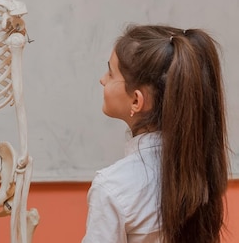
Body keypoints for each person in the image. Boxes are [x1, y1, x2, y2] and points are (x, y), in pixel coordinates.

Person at [82, 24, 229, 243]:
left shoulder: (111, 187)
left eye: (111, 73)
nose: (103, 79)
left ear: (136, 100)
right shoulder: (200, 168)